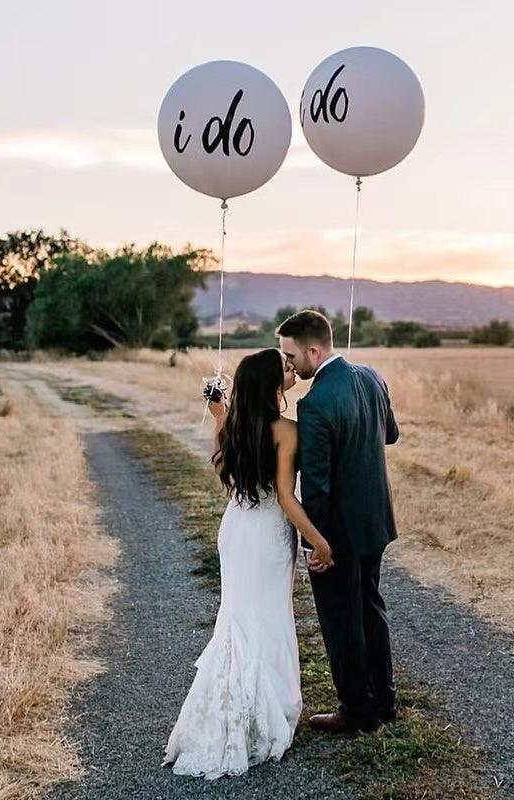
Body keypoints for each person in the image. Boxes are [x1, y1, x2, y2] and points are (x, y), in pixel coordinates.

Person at [163, 348, 333, 780]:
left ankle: (236, 712)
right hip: (267, 536)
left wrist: (219, 416)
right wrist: (320, 542)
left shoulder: (233, 426)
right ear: (271, 385)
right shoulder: (287, 431)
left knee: (239, 619)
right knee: (268, 617)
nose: (294, 371)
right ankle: (262, 714)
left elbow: (222, 463)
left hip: (236, 530)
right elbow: (285, 498)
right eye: (287, 369)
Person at [277, 309, 400, 734]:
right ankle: (385, 700)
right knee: (370, 607)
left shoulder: (314, 404)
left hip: (340, 533)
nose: (289, 364)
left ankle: (356, 710)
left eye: (292, 355)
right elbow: (391, 434)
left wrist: (316, 545)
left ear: (314, 349)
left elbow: (317, 487)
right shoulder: (370, 376)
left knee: (340, 618)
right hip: (376, 521)